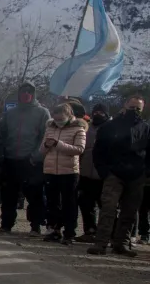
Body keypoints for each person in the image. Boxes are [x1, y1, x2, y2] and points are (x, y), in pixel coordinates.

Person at [88, 94, 150, 257]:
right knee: (108, 209)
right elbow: (98, 151)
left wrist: (146, 172)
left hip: (136, 175)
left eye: (138, 108)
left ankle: (121, 244)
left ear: (142, 109)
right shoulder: (110, 126)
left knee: (130, 212)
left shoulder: (145, 128)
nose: (134, 111)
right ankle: (101, 243)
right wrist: (104, 171)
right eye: (132, 107)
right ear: (125, 106)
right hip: (114, 174)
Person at [0, 81, 50, 235]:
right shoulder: (10, 113)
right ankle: (6, 224)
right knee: (8, 195)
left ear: (33, 94)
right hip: (10, 159)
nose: (26, 95)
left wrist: (36, 157)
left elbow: (45, 137)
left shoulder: (42, 112)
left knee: (34, 195)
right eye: (23, 92)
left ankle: (35, 225)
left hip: (31, 161)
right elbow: (3, 134)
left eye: (29, 92)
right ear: (19, 94)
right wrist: (3, 153)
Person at [40, 102, 86, 245]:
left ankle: (69, 233)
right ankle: (54, 230)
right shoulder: (50, 128)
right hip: (50, 170)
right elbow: (41, 150)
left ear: (69, 115)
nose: (58, 121)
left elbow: (79, 149)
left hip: (69, 171)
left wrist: (58, 144)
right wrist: (46, 145)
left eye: (61, 119)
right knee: (52, 202)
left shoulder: (78, 129)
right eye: (56, 119)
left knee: (69, 203)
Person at [77, 103, 108, 242]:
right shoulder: (87, 128)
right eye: (95, 112)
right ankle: (89, 230)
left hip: (103, 175)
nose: (97, 115)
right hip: (85, 173)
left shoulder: (109, 128)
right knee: (86, 204)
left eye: (101, 112)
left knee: (105, 206)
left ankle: (107, 234)